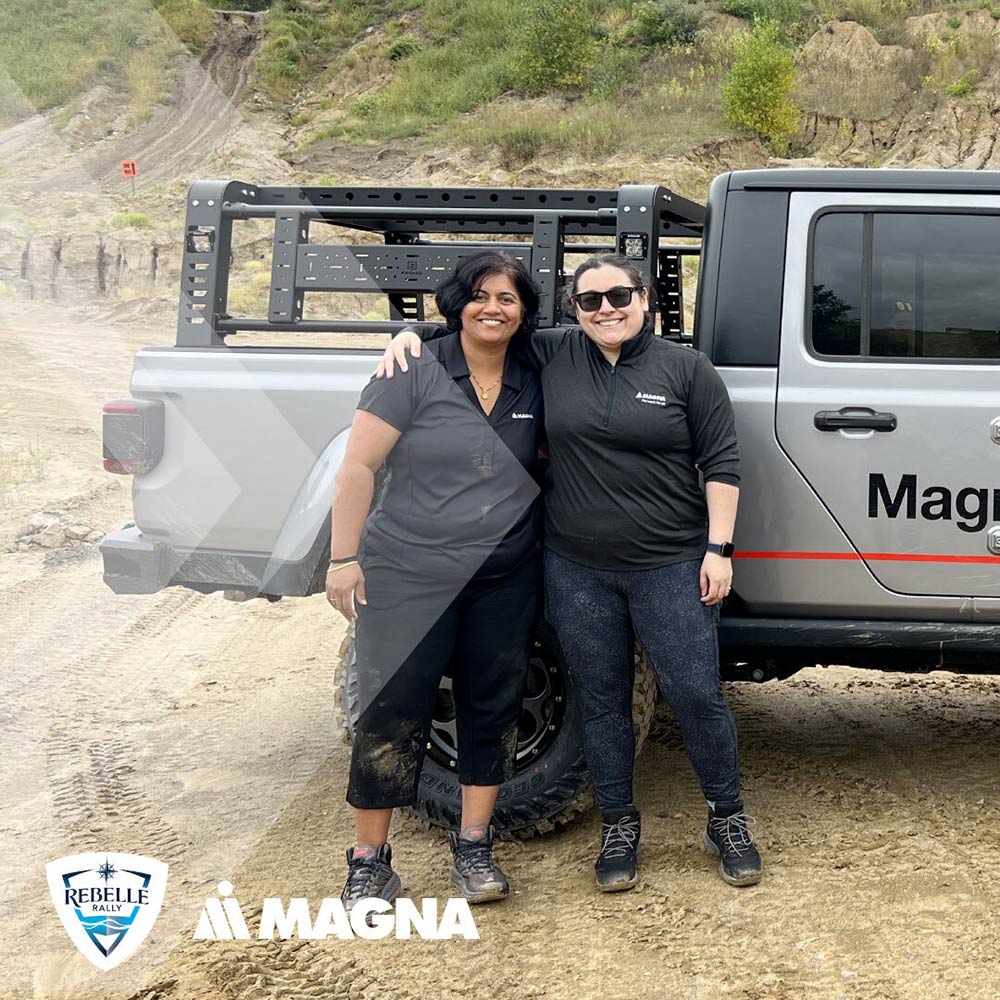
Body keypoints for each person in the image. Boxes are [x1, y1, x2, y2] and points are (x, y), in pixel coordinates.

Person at [378, 253, 763, 892]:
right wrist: (411, 336)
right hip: (577, 567)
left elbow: (721, 462)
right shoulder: (552, 354)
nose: (606, 309)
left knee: (696, 695)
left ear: (645, 299)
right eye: (590, 301)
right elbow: (480, 330)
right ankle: (618, 824)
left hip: (670, 564)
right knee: (603, 701)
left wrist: (718, 550)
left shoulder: (687, 370)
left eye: (619, 296)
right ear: (572, 309)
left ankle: (726, 817)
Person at [327, 250, 544, 908]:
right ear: (457, 302)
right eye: (479, 295)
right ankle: (369, 860)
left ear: (525, 310)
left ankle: (473, 847)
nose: (493, 308)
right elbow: (358, 467)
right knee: (393, 708)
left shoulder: (536, 369)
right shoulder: (413, 369)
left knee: (493, 706)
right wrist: (342, 559)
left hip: (502, 575)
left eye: (507, 298)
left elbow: (600, 337)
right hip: (408, 570)